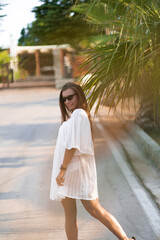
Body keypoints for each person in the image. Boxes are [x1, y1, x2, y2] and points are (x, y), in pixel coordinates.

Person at [50, 82, 136, 240]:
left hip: (75, 170)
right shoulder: (76, 116)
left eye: (70, 97)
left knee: (95, 209)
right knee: (70, 214)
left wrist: (62, 170)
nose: (67, 102)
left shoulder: (79, 114)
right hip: (70, 171)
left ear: (79, 96)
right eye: (64, 99)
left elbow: (72, 146)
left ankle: (126, 239)